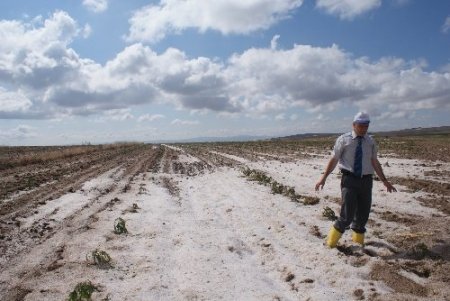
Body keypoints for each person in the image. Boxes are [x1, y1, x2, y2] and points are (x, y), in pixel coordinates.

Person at [315, 112, 397, 248]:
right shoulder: (343, 140)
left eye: (366, 125)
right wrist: (323, 177)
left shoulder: (370, 141)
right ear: (354, 125)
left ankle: (358, 244)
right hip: (349, 180)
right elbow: (334, 159)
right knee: (347, 215)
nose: (364, 128)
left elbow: (374, 161)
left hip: (366, 181)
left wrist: (384, 180)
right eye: (361, 125)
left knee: (363, 216)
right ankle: (330, 244)